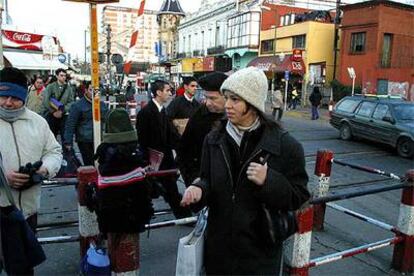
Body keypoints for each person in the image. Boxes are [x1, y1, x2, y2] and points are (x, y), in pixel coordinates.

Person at [181, 67, 310, 275]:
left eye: (235, 100)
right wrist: (198, 189)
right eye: (227, 98)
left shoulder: (284, 145)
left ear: (252, 103)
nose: (228, 105)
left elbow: (299, 196)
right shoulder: (214, 140)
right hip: (219, 252)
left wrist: (269, 181)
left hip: (259, 255)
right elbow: (207, 179)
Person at [0, 67, 62, 232]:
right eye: (4, 96)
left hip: (29, 212)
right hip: (1, 211)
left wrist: (44, 169)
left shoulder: (38, 122)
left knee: (26, 257)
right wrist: (3, 180)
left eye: (14, 98)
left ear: (23, 97)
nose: (8, 102)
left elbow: (53, 152)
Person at [136, 80, 191, 219]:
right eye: (167, 90)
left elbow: (171, 135)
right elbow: (142, 140)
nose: (170, 93)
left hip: (165, 158)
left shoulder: (163, 111)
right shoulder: (145, 113)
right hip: (153, 159)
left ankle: (182, 214)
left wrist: (184, 146)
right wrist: (145, 160)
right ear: (158, 92)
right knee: (158, 188)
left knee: (169, 187)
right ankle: (181, 215)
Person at [177, 72, 228, 187]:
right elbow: (183, 152)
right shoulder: (199, 116)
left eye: (213, 98)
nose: (208, 103)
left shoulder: (238, 116)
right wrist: (194, 180)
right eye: (206, 97)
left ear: (227, 96)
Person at [64, 82, 108, 166]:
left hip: (100, 139)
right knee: (89, 163)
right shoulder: (77, 105)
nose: (93, 93)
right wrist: (68, 141)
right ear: (86, 90)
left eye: (96, 91)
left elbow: (107, 120)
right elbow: (70, 124)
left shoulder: (102, 105)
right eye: (91, 90)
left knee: (101, 163)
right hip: (85, 140)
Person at [41, 68, 75, 138]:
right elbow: (45, 100)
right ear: (57, 76)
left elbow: (71, 101)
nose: (63, 77)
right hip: (51, 115)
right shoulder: (51, 87)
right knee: (51, 136)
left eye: (64, 76)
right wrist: (53, 111)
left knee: (64, 137)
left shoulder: (68, 88)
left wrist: (62, 110)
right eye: (61, 75)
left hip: (63, 115)